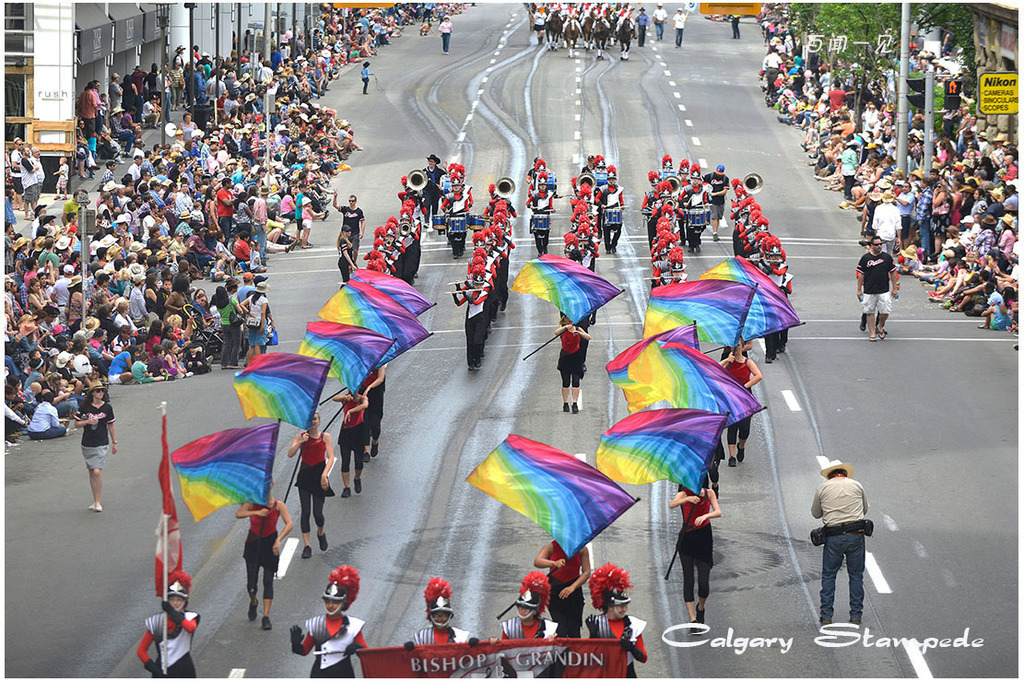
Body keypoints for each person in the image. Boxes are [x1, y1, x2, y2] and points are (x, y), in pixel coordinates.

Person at [811, 460, 869, 626]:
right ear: (844, 473)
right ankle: (856, 616)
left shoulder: (823, 488)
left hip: (833, 537)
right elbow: (864, 509)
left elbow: (816, 513)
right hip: (855, 534)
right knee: (856, 575)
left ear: (829, 475)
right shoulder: (857, 485)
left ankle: (826, 614)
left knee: (829, 574)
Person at [290, 565, 368, 677]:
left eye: (335, 602)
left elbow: (367, 653)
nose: (330, 605)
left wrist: (357, 648)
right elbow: (305, 650)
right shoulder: (316, 624)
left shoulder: (353, 626)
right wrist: (296, 645)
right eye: (327, 602)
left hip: (344, 675)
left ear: (343, 603)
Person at [236, 483, 293, 631]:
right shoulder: (252, 503)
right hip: (253, 543)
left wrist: (278, 540)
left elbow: (289, 524)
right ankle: (253, 602)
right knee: (251, 584)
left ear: (272, 485)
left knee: (268, 581)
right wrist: (256, 513)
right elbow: (239, 514)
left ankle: (266, 616)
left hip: (270, 543)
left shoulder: (278, 505)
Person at [669, 478, 721, 628]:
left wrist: (706, 516)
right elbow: (671, 504)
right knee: (689, 579)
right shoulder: (683, 493)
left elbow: (718, 512)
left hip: (704, 538)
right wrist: (686, 499)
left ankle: (700, 607)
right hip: (687, 538)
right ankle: (692, 619)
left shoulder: (709, 493)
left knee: (704, 584)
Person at [286, 412, 335, 559]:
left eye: (315, 419)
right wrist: (300, 442)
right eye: (309, 419)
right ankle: (307, 545)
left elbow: (331, 457)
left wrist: (324, 474)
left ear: (319, 421)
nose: (312, 421)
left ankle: (320, 532)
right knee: (306, 511)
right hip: (305, 476)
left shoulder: (325, 437)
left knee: (317, 513)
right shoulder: (299, 437)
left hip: (319, 475)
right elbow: (290, 454)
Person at [585, 564, 647, 677]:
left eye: (625, 605)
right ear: (610, 607)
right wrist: (593, 637)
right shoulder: (598, 624)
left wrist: (632, 648)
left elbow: (643, 657)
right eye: (621, 606)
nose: (625, 609)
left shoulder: (633, 624)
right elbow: (590, 658)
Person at [137, 570, 199, 677]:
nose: (175, 603)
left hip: (185, 671)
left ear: (184, 601)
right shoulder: (157, 621)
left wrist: (171, 611)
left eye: (179, 599)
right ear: (166, 600)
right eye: (172, 599)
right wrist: (154, 669)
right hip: (163, 671)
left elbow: (190, 628)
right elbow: (141, 651)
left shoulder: (190, 617)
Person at [534, 540, 591, 638]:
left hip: (574, 592)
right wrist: (553, 563)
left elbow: (586, 572)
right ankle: (561, 651)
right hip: (555, 591)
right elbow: (537, 561)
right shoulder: (551, 546)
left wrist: (573, 587)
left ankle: (574, 652)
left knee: (574, 629)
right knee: (561, 629)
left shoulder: (582, 549)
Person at [74, 381, 116, 512]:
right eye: (98, 391)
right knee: (91, 471)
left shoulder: (107, 408)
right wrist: (87, 421)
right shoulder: (85, 407)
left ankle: (98, 502)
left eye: (102, 391)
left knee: (97, 471)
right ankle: (95, 499)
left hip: (102, 442)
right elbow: (76, 423)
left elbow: (111, 425)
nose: (101, 393)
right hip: (87, 443)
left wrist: (114, 442)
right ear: (92, 393)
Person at [718, 342, 762, 466]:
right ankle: (732, 457)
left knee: (744, 428)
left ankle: (741, 446)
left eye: (738, 345)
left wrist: (744, 386)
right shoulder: (729, 361)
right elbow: (715, 369)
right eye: (734, 346)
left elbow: (758, 376)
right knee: (733, 424)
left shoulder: (747, 362)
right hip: (731, 397)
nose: (736, 348)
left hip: (744, 397)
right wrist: (727, 360)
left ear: (742, 347)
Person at [405, 578, 475, 647]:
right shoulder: (421, 637)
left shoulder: (460, 636)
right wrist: (409, 651)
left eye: (444, 615)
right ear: (431, 617)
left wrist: (474, 648)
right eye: (436, 616)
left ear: (449, 616)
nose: (440, 619)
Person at [856, 236, 899, 341]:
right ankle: (872, 333)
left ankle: (880, 325)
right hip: (869, 289)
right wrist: (859, 290)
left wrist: (895, 288)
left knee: (885, 311)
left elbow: (893, 272)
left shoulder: (887, 257)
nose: (879, 246)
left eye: (880, 244)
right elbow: (860, 274)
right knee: (869, 311)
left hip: (883, 289)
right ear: (871, 246)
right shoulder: (865, 258)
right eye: (876, 244)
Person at [500, 572, 559, 640]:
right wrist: (494, 644)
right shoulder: (509, 627)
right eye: (520, 607)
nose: (522, 610)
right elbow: (503, 648)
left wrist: (552, 642)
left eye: (526, 608)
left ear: (535, 611)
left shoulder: (549, 628)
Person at [332, 390, 368, 497]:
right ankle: (346, 487)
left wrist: (351, 411)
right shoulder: (346, 398)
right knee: (345, 461)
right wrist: (344, 397)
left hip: (359, 432)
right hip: (346, 431)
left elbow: (365, 405)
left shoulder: (363, 398)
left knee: (359, 462)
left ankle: (357, 478)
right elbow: (334, 398)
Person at [555, 315, 590, 413]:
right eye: (567, 318)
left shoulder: (578, 328)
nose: (570, 320)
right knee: (565, 382)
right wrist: (566, 328)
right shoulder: (563, 329)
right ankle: (565, 403)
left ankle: (575, 403)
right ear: (565, 319)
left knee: (576, 381)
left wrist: (578, 333)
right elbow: (556, 333)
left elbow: (588, 337)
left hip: (576, 357)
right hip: (565, 357)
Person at [244, 280, 272, 362]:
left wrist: (249, 313)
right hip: (260, 322)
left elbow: (241, 304)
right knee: (258, 344)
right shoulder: (264, 300)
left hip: (252, 322)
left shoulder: (251, 298)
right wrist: (263, 326)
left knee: (252, 345)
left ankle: (248, 363)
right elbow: (263, 313)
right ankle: (259, 363)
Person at [703, 165, 730, 242]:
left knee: (718, 217)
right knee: (714, 216)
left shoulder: (725, 179)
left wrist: (715, 193)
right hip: (712, 201)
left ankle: (715, 230)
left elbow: (725, 191)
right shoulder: (710, 176)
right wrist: (706, 189)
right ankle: (715, 233)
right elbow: (701, 180)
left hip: (720, 200)